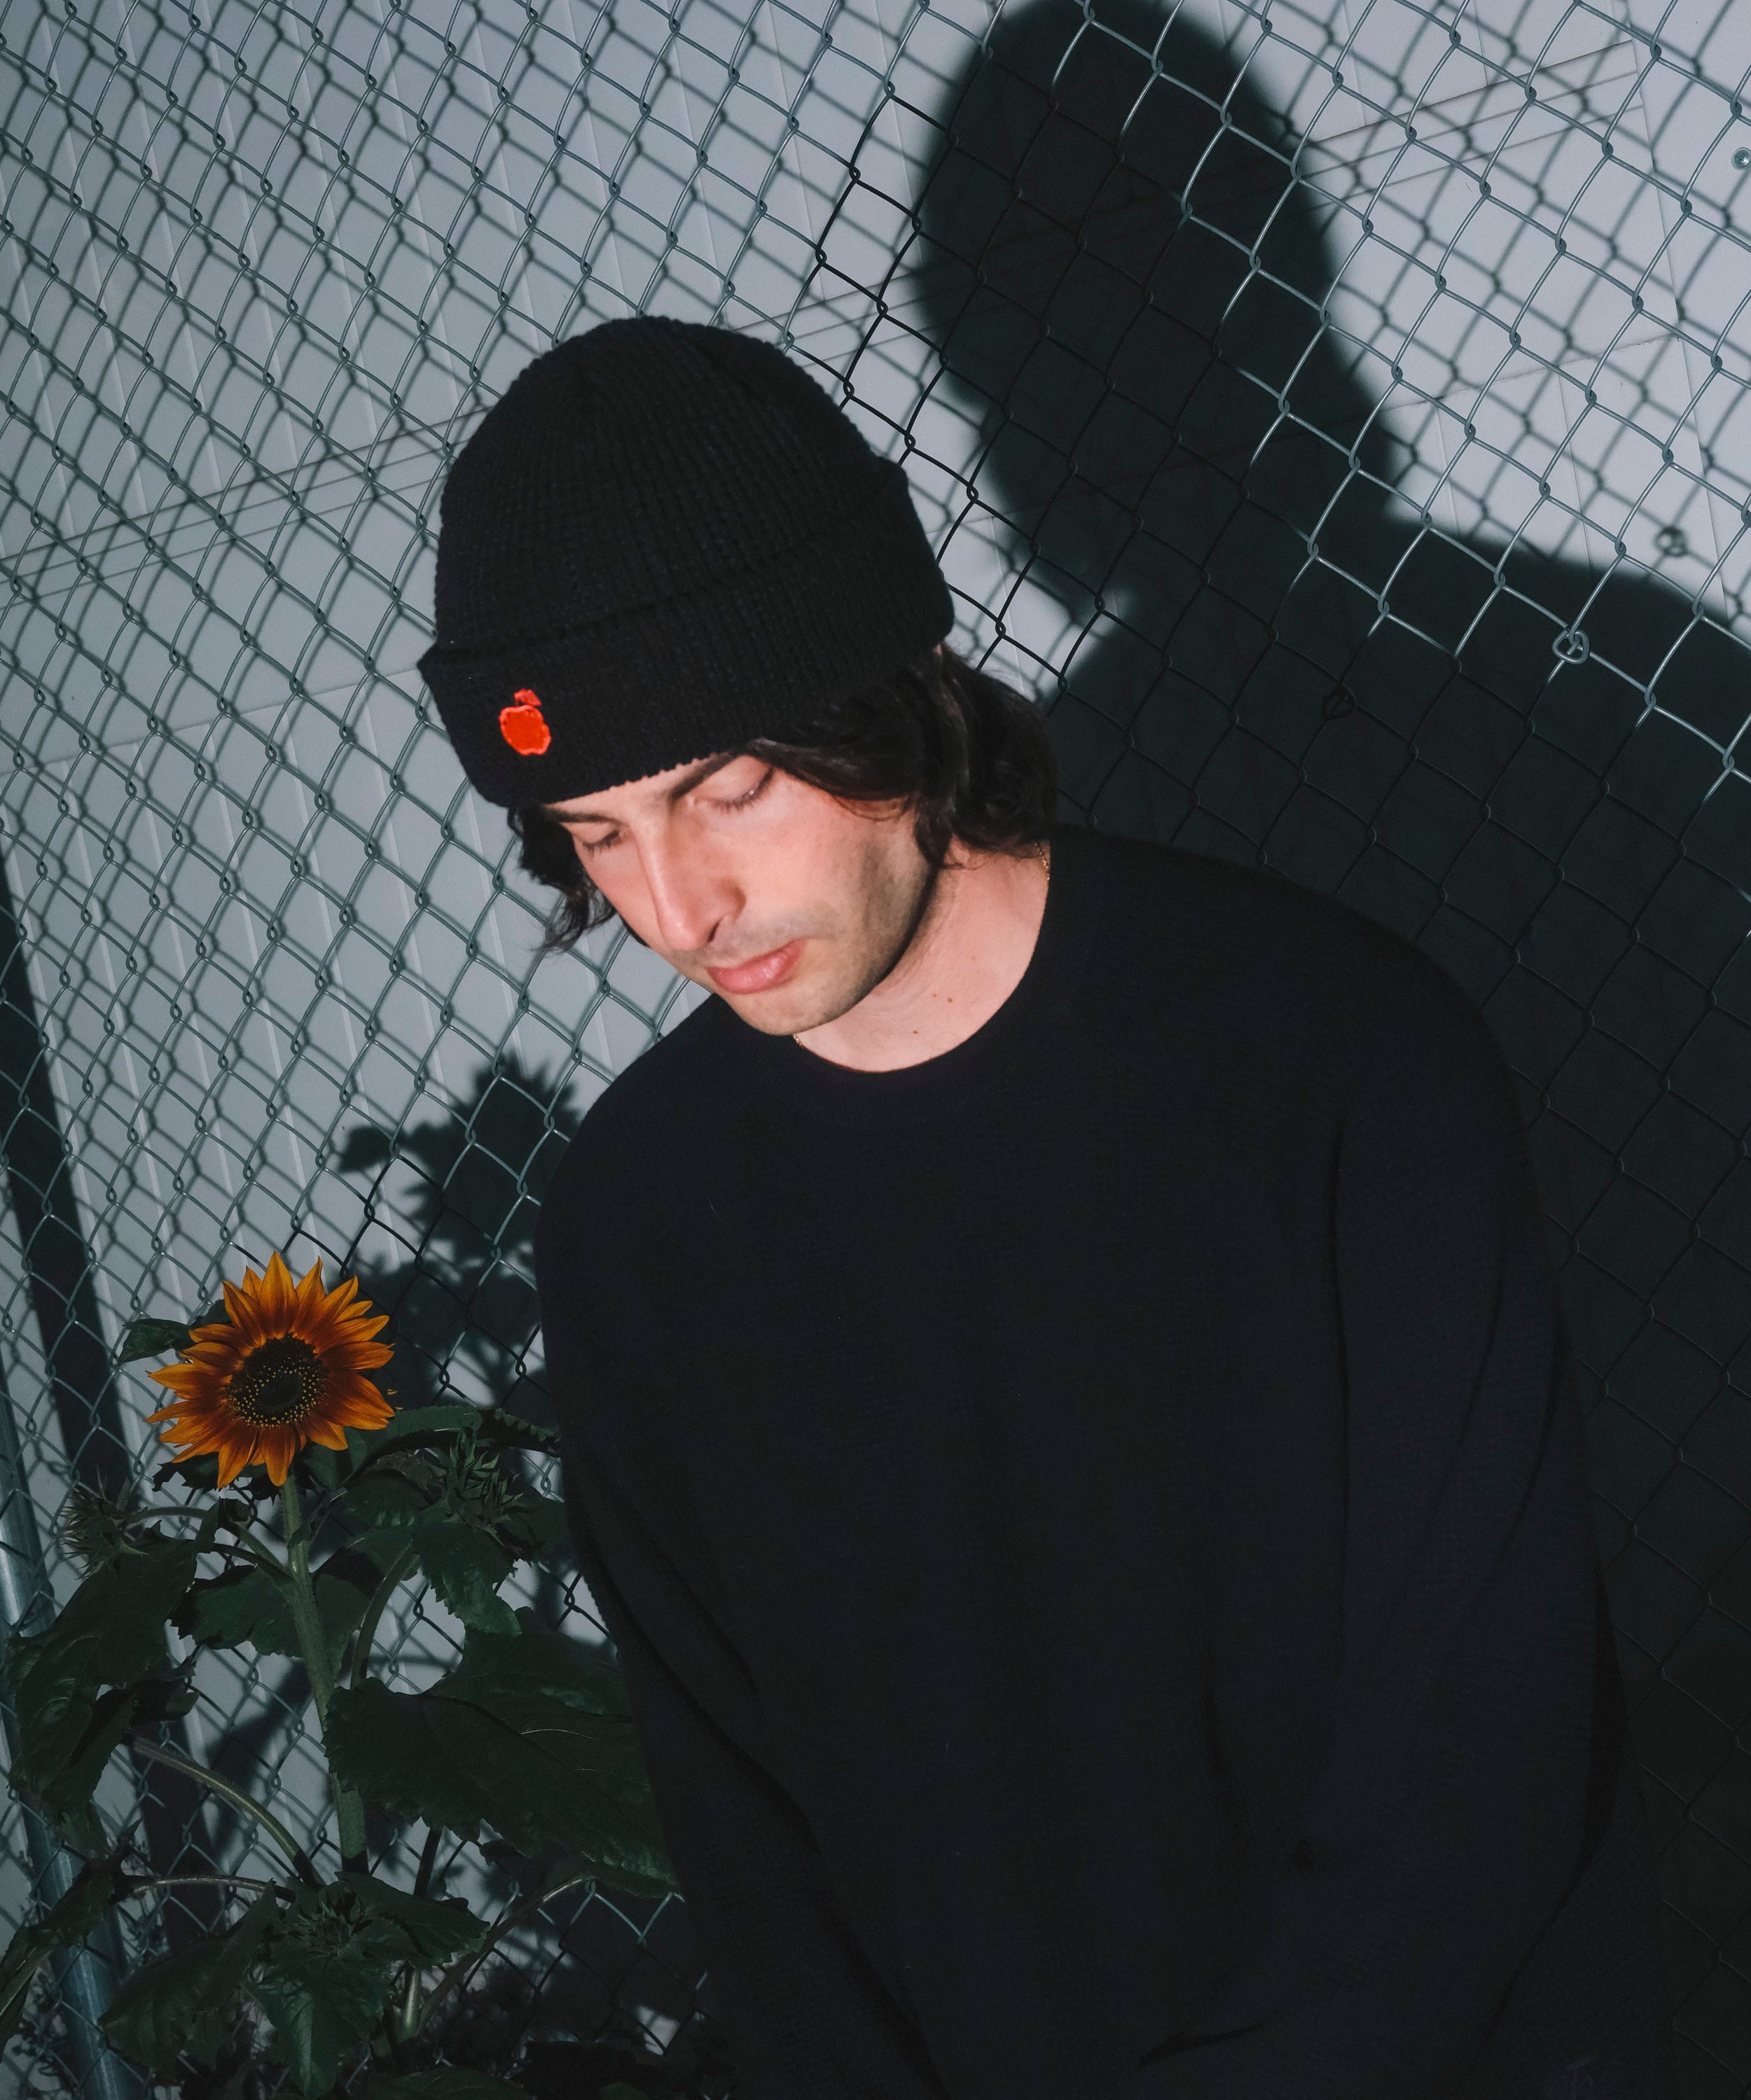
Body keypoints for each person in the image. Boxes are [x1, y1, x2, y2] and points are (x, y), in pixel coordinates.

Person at [416, 313, 1674, 2098]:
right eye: (594, 832)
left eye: (728, 787)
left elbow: (1477, 1748)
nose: (678, 904)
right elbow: (752, 1857)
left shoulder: (1330, 1061)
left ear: (887, 687)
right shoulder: (637, 1229)